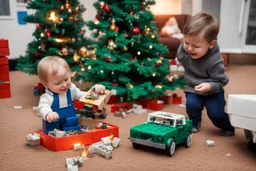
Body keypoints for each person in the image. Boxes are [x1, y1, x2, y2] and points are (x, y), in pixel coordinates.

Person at [177, 12, 235, 136]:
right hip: (193, 88)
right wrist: (184, 45)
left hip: (213, 91)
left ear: (211, 44)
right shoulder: (186, 51)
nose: (190, 49)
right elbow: (181, 56)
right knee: (191, 106)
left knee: (216, 115)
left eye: (196, 46)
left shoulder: (215, 61)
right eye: (186, 42)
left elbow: (222, 81)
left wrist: (209, 86)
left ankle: (228, 126)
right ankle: (195, 122)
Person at [37, 56, 105, 133]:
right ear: (46, 84)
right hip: (54, 120)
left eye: (66, 79)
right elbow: (42, 107)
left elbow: (82, 95)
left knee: (73, 129)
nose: (64, 85)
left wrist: (94, 91)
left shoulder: (71, 89)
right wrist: (48, 113)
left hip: (70, 118)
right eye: (58, 83)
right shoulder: (48, 96)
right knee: (51, 131)